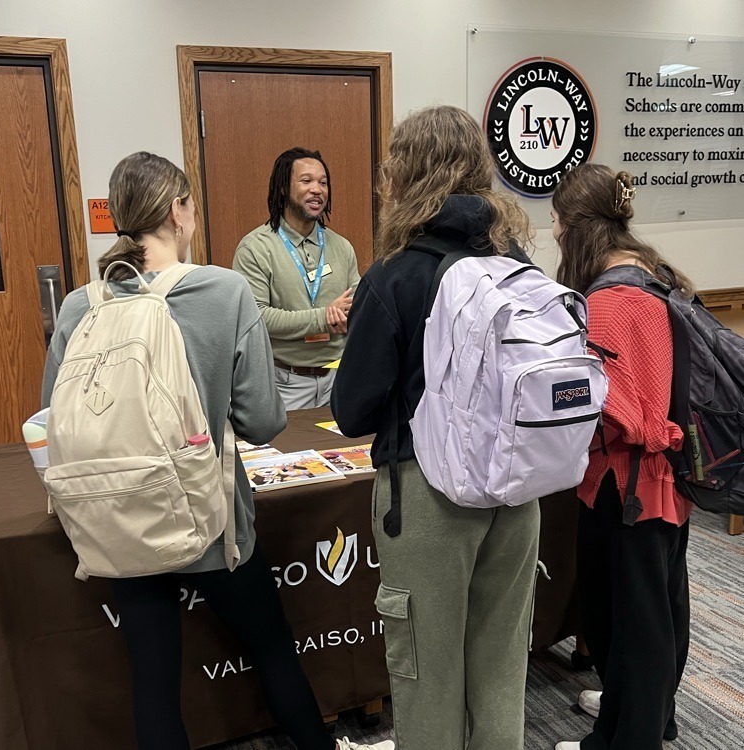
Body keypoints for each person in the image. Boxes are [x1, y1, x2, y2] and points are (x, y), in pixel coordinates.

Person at [41, 151, 392, 750]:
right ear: (180, 212)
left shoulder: (80, 306)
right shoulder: (222, 292)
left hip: (121, 520)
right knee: (273, 650)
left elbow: (57, 413)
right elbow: (261, 422)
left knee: (153, 681)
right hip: (213, 521)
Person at [331, 106, 541, 750]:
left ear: (406, 176)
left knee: (426, 673)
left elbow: (352, 410)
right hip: (516, 488)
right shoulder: (518, 263)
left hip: (426, 499)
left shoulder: (393, 276)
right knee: (502, 670)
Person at [550, 164, 693, 750]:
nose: (554, 235)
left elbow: (614, 410)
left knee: (625, 622)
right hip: (667, 482)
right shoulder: (659, 276)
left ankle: (629, 737)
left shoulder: (608, 303)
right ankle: (644, 719)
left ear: (581, 228)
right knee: (660, 609)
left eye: (558, 223)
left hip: (623, 482)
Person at [233, 147, 361, 410]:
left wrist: (355, 312)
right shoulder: (256, 248)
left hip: (338, 380)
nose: (317, 189)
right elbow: (255, 317)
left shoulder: (341, 247)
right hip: (284, 382)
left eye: (323, 183)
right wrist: (323, 318)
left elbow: (358, 303)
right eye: (306, 181)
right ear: (283, 188)